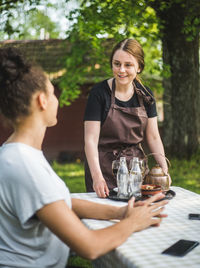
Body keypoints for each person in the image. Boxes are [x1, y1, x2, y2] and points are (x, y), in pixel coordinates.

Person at [0, 47, 168, 267]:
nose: (56, 100)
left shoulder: (17, 154)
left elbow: (60, 202)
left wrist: (120, 212)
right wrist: (133, 222)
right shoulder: (23, 166)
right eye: (53, 93)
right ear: (42, 101)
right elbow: (90, 247)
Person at [84, 38, 171, 197]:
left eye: (128, 65)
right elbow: (90, 140)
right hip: (102, 168)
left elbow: (153, 136)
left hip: (136, 169)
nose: (121, 70)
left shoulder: (146, 94)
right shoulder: (99, 93)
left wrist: (164, 169)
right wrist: (97, 177)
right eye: (117, 64)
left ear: (139, 67)